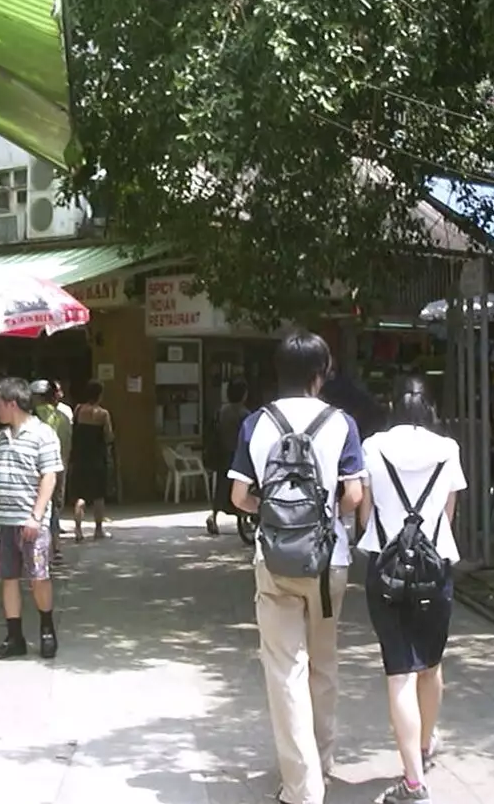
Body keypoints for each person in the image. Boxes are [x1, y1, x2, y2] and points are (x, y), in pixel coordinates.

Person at [229, 332, 366, 804]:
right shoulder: (342, 423)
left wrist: (277, 513)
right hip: (330, 562)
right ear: (320, 373)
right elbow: (353, 495)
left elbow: (239, 496)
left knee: (285, 670)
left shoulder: (257, 422)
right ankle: (322, 763)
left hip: (275, 560)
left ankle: (301, 788)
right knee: (323, 664)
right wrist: (325, 519)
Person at [355, 376, 467, 804]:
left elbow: (365, 518)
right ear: (429, 408)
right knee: (431, 666)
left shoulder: (373, 447)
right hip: (435, 568)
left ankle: (414, 782)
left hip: (385, 569)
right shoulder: (448, 449)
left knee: (399, 672)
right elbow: (447, 514)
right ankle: (423, 747)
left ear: (393, 406)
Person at [0, 377, 63, 659]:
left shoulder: (44, 434)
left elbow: (49, 476)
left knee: (38, 576)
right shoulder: (2, 437)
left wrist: (36, 516)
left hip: (30, 519)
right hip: (2, 518)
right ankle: (14, 637)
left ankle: (46, 628)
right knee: (9, 577)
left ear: (11, 404)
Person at [68, 380, 114, 541]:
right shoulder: (103, 414)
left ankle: (78, 531)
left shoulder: (78, 410)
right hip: (97, 459)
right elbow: (109, 436)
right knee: (98, 496)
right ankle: (98, 530)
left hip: (80, 458)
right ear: (100, 395)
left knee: (80, 496)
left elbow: (73, 430)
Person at [31, 380, 72, 555]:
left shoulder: (30, 417)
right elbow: (68, 444)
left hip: (34, 467)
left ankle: (37, 546)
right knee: (54, 505)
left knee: (36, 505)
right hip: (58, 465)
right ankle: (55, 545)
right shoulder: (63, 417)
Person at [206, 378, 251, 536]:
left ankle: (214, 515)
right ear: (244, 394)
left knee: (221, 487)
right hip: (237, 454)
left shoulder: (221, 411)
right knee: (241, 487)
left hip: (221, 453)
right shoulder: (245, 414)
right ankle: (243, 519)